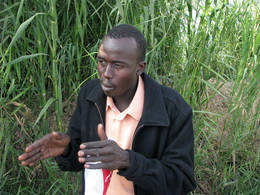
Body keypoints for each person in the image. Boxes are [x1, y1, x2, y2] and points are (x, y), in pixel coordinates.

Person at [19, 24, 196, 195]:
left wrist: (128, 161)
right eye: (102, 61)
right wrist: (67, 149)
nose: (106, 73)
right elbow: (79, 160)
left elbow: (181, 181)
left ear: (139, 68)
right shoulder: (91, 95)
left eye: (117, 65)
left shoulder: (172, 109)